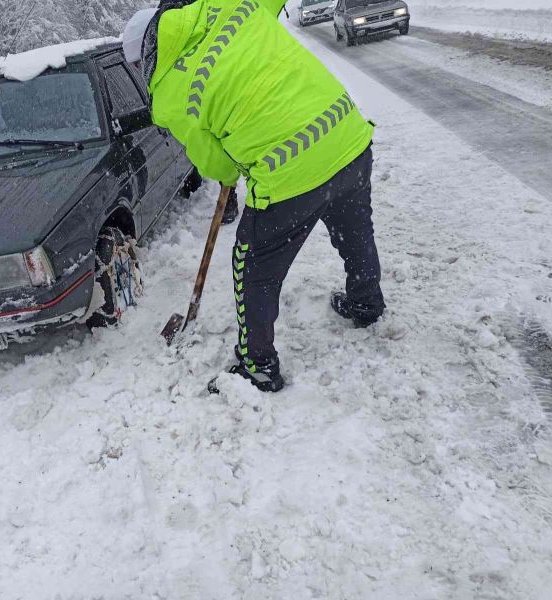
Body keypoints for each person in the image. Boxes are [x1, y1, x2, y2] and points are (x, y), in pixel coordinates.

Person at [123, 0, 386, 393]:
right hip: (346, 134)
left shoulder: (169, 95)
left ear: (145, 57)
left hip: (290, 171)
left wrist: (233, 160)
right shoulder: (231, 7)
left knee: (254, 268)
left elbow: (218, 167)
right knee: (354, 230)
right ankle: (366, 302)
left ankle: (257, 365)